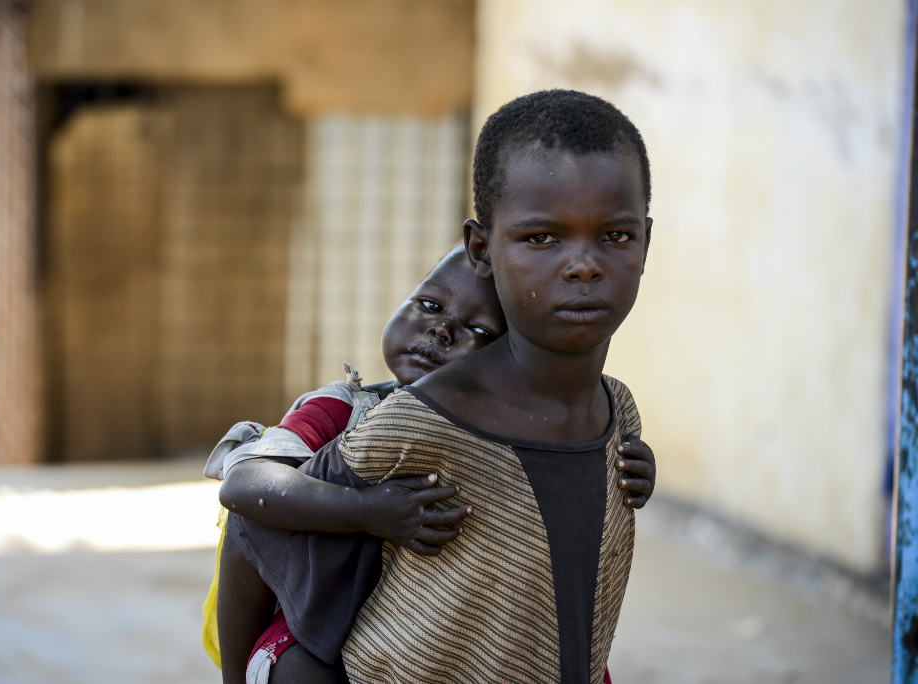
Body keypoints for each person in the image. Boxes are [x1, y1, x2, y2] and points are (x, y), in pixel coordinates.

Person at [290, 88, 655, 684]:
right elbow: (254, 527)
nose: (584, 265)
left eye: (615, 236)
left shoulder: (620, 414)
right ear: (482, 250)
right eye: (542, 238)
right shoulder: (425, 417)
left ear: (645, 241)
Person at [206, 245, 656, 683]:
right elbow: (244, 485)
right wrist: (365, 509)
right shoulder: (343, 410)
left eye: (480, 332)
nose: (441, 330)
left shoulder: (518, 437)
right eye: (428, 304)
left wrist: (629, 467)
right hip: (329, 622)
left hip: (466, 637)